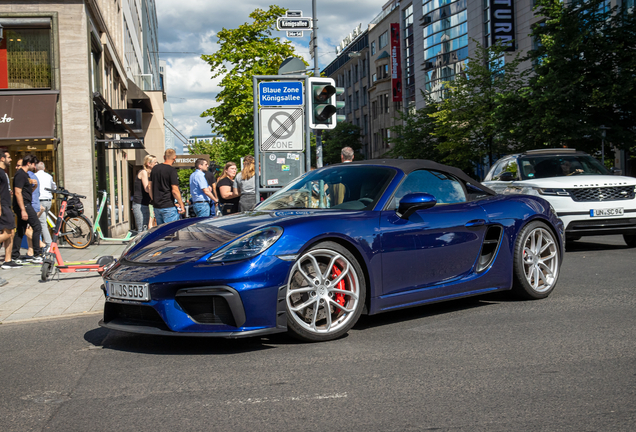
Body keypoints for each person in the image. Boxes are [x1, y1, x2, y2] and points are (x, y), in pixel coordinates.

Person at [12, 154, 42, 263]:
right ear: (28, 163)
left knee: (21, 229)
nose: (34, 167)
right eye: (34, 165)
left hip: (25, 203)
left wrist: (34, 186)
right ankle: (37, 254)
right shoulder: (20, 175)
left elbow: (26, 192)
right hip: (24, 205)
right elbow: (17, 192)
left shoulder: (25, 175)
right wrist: (23, 210)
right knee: (37, 226)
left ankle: (14, 255)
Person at [149, 149, 185, 225]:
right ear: (174, 158)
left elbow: (149, 186)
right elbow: (175, 191)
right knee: (171, 232)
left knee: (161, 232)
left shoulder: (155, 169)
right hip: (168, 206)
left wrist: (153, 199)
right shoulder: (172, 170)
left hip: (157, 207)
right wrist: (181, 205)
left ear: (164, 157)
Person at [0, 151, 17, 278]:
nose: (10, 159)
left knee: (10, 231)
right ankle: (7, 260)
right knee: (9, 233)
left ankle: (7, 260)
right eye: (8, 157)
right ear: (2, 158)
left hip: (6, 205)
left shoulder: (4, 173)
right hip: (3, 206)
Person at [35, 162, 56, 250]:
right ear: (44, 168)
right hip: (48, 201)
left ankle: (49, 244)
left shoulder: (34, 176)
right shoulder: (49, 176)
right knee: (42, 222)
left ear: (36, 168)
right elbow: (54, 187)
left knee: (42, 223)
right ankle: (40, 242)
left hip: (40, 201)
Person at [133, 154, 156, 231]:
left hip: (145, 204)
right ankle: (138, 243)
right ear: (148, 164)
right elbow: (147, 188)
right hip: (139, 204)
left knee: (145, 228)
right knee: (142, 229)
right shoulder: (143, 172)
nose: (156, 164)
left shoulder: (150, 174)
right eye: (155, 162)